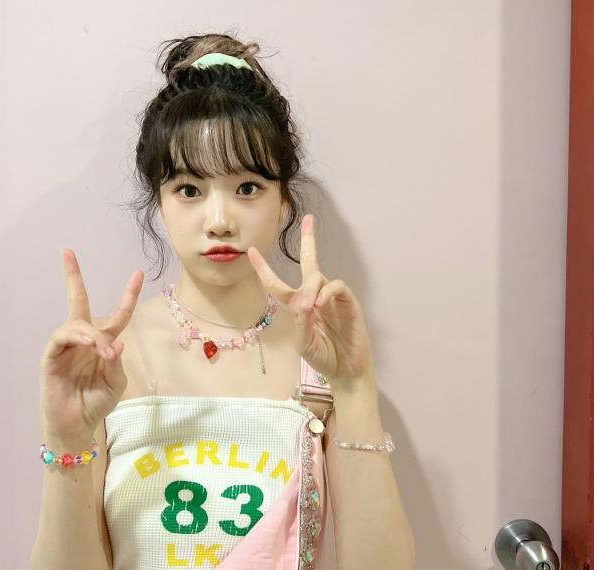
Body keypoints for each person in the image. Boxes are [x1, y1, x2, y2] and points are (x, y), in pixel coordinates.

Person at [30, 33, 415, 570]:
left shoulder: (319, 359)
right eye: (189, 189)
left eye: (248, 187)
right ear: (159, 203)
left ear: (283, 202)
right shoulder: (109, 358)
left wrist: (354, 388)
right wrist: (65, 439)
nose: (219, 221)